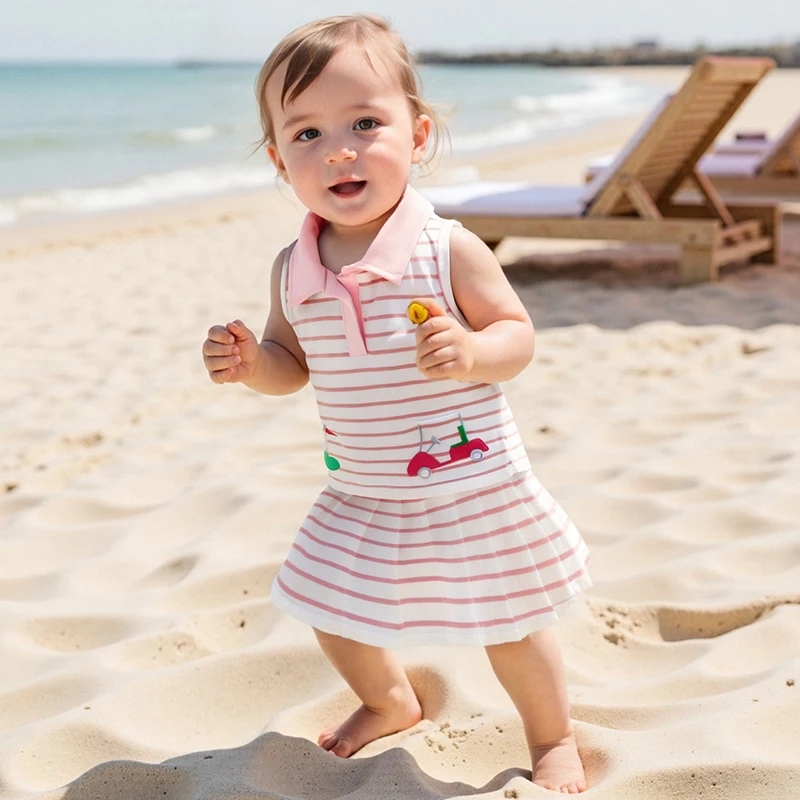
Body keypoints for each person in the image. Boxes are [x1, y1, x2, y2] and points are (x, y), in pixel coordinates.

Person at [202, 14, 592, 795]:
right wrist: (251, 366)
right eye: (307, 134)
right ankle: (390, 701)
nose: (338, 150)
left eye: (364, 124)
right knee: (325, 605)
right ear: (280, 161)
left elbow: (517, 335)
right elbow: (291, 364)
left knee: (511, 622)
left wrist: (474, 351)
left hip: (471, 483)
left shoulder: (445, 248)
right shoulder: (293, 268)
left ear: (416, 137)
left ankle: (551, 738)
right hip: (363, 488)